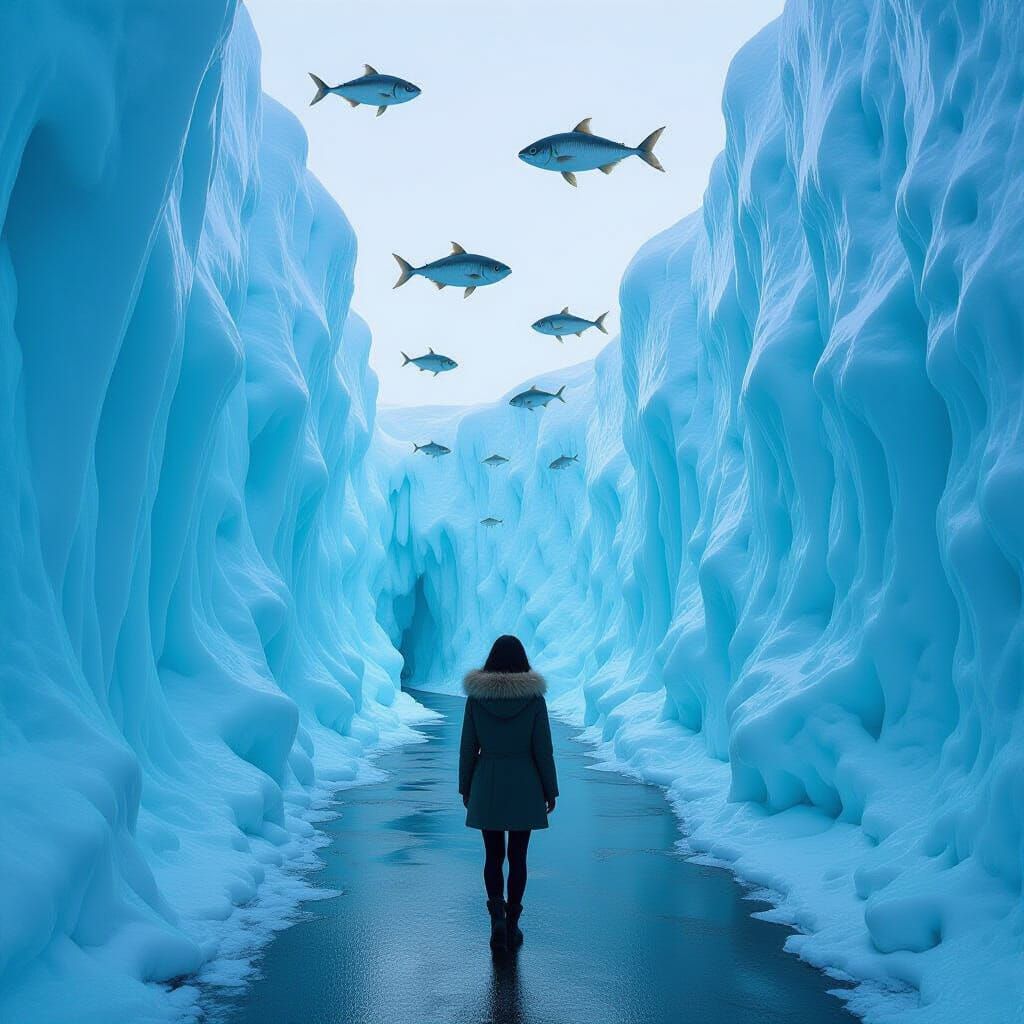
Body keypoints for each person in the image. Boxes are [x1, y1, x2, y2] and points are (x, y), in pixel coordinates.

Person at [459, 635, 559, 952]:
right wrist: (550, 788)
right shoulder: (533, 699)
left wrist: (466, 787)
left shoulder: (476, 698)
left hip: (487, 782)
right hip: (525, 784)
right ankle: (513, 922)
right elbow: (543, 749)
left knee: (493, 855)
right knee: (518, 857)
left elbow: (467, 749)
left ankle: (496, 918)